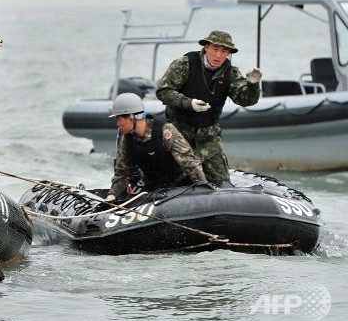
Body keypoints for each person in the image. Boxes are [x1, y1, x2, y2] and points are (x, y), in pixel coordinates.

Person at [155, 30, 262, 186]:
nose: (218, 55)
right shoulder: (185, 64)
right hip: (179, 133)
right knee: (170, 180)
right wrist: (188, 103)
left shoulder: (231, 73)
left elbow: (245, 100)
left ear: (229, 53)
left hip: (208, 137)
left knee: (222, 182)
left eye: (224, 51)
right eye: (215, 49)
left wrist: (252, 85)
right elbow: (163, 91)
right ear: (206, 47)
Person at [104, 93, 208, 201]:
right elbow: (123, 173)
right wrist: (112, 195)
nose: (117, 124)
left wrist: (203, 187)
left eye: (119, 119)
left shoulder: (164, 131)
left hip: (180, 185)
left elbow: (188, 161)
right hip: (154, 187)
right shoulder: (127, 139)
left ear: (131, 118)